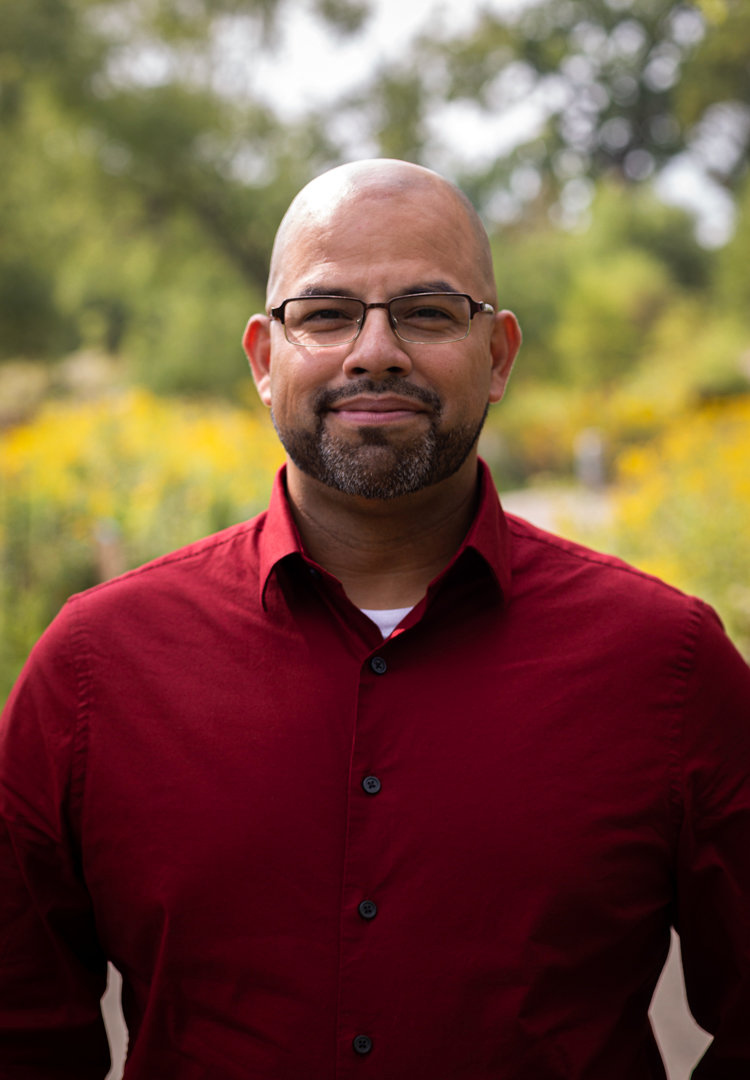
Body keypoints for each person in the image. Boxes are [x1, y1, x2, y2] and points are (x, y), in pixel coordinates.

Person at [1, 158, 749, 1080]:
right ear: (264, 362)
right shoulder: (93, 670)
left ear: (500, 355)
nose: (375, 351)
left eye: (429, 312)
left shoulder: (667, 666)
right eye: (325, 314)